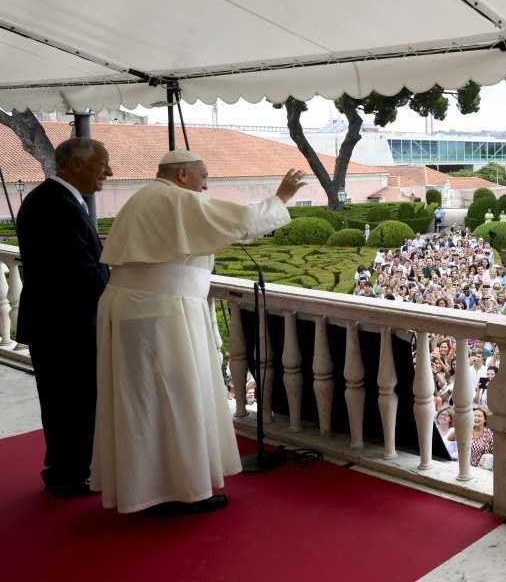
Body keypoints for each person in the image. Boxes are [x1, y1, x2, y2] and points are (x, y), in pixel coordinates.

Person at [90, 150, 305, 514]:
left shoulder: (147, 196)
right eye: (203, 177)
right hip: (161, 312)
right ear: (184, 174)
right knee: (177, 396)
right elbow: (241, 220)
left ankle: (144, 488)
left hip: (139, 307)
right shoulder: (173, 197)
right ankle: (181, 490)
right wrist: (281, 196)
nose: (206, 185)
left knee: (141, 402)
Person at [16, 137, 113, 497]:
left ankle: (69, 470)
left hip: (59, 323)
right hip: (64, 325)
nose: (109, 171)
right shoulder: (53, 205)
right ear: (75, 164)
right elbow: (79, 272)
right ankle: (69, 475)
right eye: (103, 163)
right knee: (70, 404)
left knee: (68, 402)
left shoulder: (55, 199)